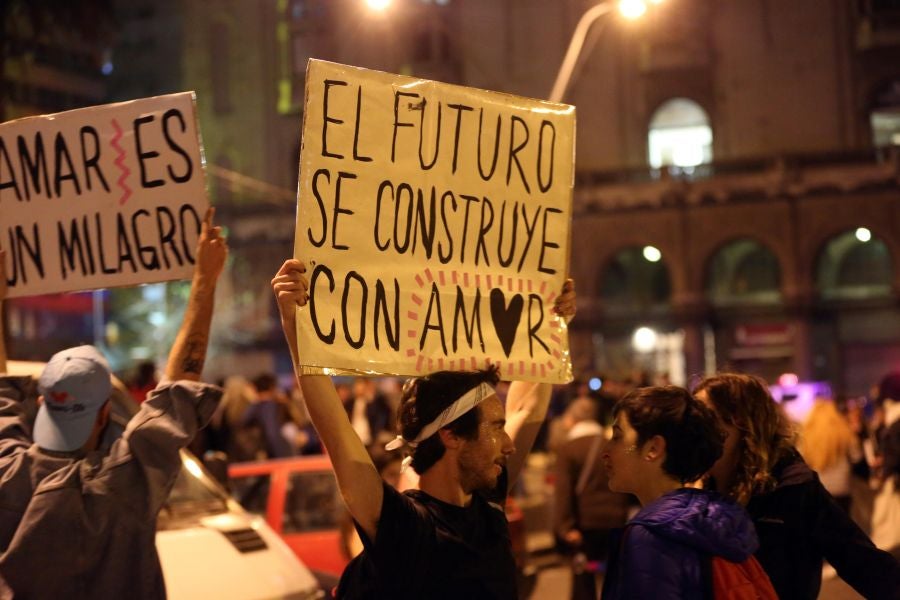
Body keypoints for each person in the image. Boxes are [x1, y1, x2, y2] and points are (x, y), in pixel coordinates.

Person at [271, 258, 575, 599]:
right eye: (495, 427)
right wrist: (294, 324)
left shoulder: (488, 504)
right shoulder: (404, 526)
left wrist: (551, 323)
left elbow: (527, 406)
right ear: (451, 435)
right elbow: (338, 434)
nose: (509, 444)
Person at [0, 208, 227, 599]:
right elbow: (177, 389)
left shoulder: (7, 473)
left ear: (42, 404)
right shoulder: (125, 484)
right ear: (105, 413)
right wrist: (204, 280)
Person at [695, 372, 900, 600]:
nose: (694, 429)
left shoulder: (792, 488)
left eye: (705, 417)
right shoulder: (693, 494)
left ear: (740, 421)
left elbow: (860, 560)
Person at [599, 386, 766, 599]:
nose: (605, 451)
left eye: (617, 436)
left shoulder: (651, 536)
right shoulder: (715, 518)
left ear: (653, 448)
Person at [553, 397, 629, 600]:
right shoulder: (610, 444)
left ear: (574, 418)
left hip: (585, 525)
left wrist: (566, 526)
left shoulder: (568, 449)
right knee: (614, 574)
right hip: (616, 520)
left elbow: (563, 491)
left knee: (584, 576)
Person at [799, 398, 861, 513]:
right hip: (842, 487)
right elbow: (857, 457)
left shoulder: (806, 435)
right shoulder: (844, 431)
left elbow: (802, 459)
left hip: (818, 488)